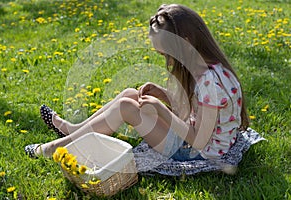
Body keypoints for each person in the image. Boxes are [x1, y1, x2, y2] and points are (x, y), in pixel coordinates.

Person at [25, 4, 249, 162]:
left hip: (198, 152)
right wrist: (165, 95)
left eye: (166, 55)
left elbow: (198, 140)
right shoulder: (211, 70)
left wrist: (162, 110)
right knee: (129, 95)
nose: (167, 62)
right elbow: (199, 110)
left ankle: (55, 148)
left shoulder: (210, 84)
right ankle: (73, 131)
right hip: (196, 141)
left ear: (186, 43)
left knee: (127, 108)